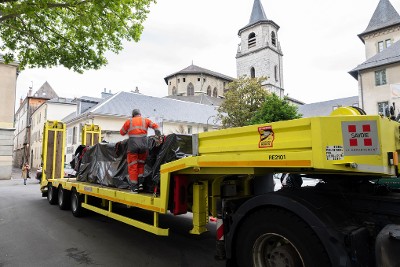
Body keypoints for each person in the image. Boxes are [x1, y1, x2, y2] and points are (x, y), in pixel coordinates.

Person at [120, 109, 161, 193]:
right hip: (143, 146)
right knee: (141, 165)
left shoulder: (129, 121)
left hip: (133, 147)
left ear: (133, 115)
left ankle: (134, 188)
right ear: (140, 114)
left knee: (133, 166)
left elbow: (122, 132)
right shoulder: (145, 120)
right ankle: (141, 184)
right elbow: (156, 126)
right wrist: (158, 134)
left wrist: (129, 131)